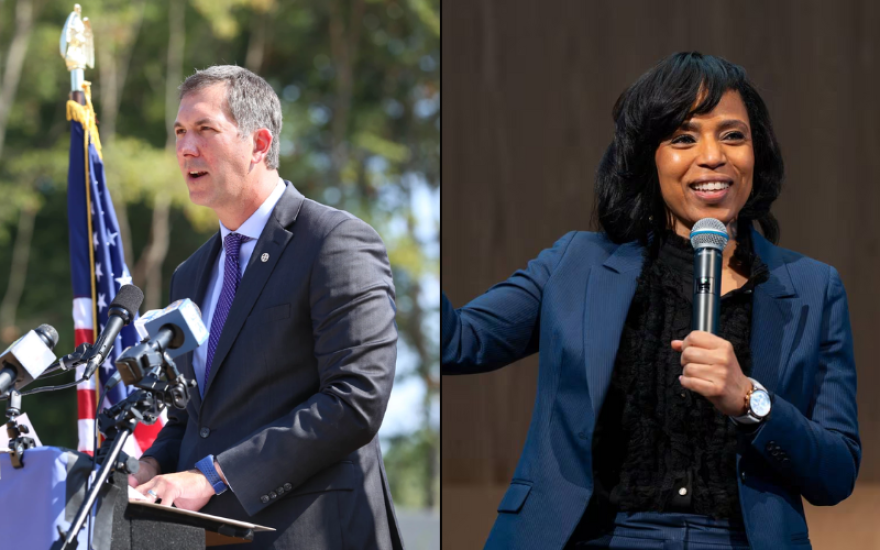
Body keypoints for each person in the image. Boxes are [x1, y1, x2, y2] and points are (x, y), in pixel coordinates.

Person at [441, 52, 860, 550]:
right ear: (647, 157)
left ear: (757, 153)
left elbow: (835, 473)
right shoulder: (576, 264)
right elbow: (457, 343)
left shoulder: (813, 286)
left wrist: (751, 402)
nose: (712, 156)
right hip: (591, 536)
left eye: (732, 135)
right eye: (683, 138)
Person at [127, 65, 404, 550]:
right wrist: (148, 466)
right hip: (206, 538)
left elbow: (355, 401)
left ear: (259, 143)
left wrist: (211, 476)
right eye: (179, 132)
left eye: (204, 130)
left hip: (313, 533)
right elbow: (191, 416)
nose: (185, 148)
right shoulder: (189, 274)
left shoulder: (335, 243)